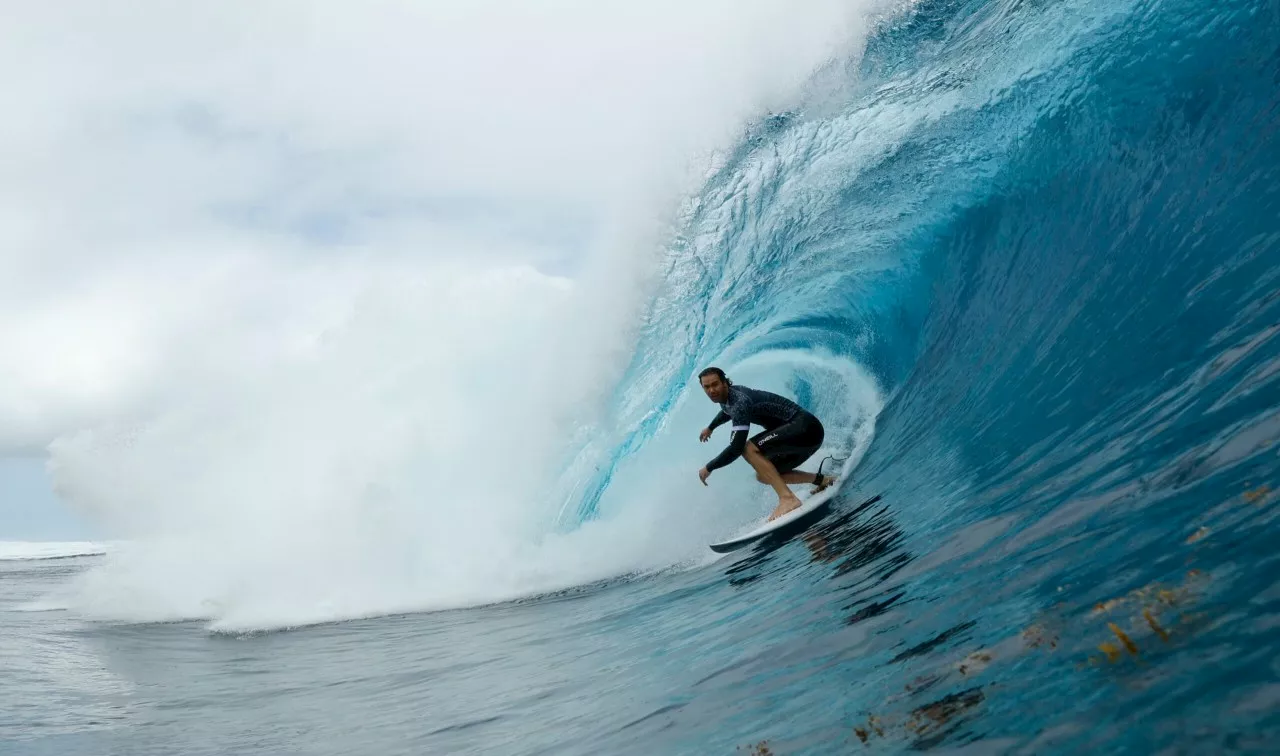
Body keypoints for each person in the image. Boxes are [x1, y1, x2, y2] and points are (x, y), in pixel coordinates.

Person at [696, 366, 836, 520]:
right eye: (706, 387)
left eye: (715, 384)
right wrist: (710, 427)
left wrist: (709, 467)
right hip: (801, 435)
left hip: (805, 428)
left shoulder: (740, 403)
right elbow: (725, 412)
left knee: (747, 449)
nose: (711, 390)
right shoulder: (727, 399)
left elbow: (736, 449)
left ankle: (787, 499)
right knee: (764, 475)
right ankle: (823, 480)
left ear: (724, 383)